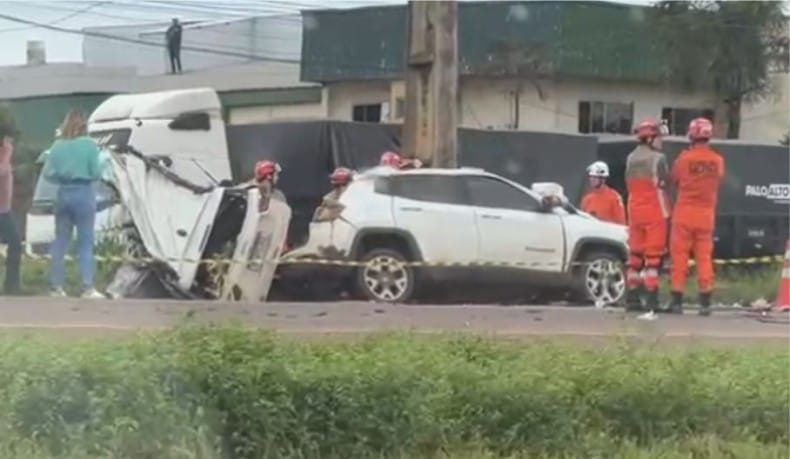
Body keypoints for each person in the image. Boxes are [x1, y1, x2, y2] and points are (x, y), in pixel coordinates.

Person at [43, 110, 105, 299]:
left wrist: (62, 175)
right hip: (83, 193)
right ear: (84, 125)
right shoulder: (89, 146)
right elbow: (96, 173)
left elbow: (47, 174)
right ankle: (87, 287)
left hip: (63, 193)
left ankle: (56, 286)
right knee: (85, 242)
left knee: (60, 241)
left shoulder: (57, 146)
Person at [669, 117, 724, 316]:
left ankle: (676, 302)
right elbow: (718, 180)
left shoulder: (683, 159)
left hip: (684, 214)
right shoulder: (718, 161)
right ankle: (705, 303)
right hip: (706, 215)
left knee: (679, 258)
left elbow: (674, 179)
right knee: (704, 259)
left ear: (691, 135)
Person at [624, 118, 671, 312]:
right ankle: (652, 301)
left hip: (634, 211)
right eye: (658, 137)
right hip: (655, 211)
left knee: (635, 258)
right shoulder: (658, 158)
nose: (661, 141)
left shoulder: (631, 158)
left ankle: (632, 299)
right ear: (650, 138)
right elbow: (665, 180)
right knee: (653, 259)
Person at [0, 124, 21, 295]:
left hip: (4, 209)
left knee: (15, 243)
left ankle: (11, 285)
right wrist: (6, 155)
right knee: (14, 242)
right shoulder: (3, 155)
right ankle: (11, 285)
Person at [580, 161, 626, 225]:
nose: (592, 179)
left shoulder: (614, 197)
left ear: (603, 179)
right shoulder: (586, 199)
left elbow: (621, 223)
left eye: (595, 177)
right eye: (591, 177)